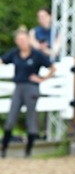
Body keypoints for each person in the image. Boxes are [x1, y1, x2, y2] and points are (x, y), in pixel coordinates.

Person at [0, 26, 56, 158]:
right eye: (19, 40)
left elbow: (53, 68)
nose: (22, 42)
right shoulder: (14, 53)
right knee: (11, 117)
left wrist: (41, 79)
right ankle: (4, 149)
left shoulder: (37, 55)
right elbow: (2, 60)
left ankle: (28, 151)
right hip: (18, 87)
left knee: (31, 118)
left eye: (24, 39)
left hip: (31, 88)